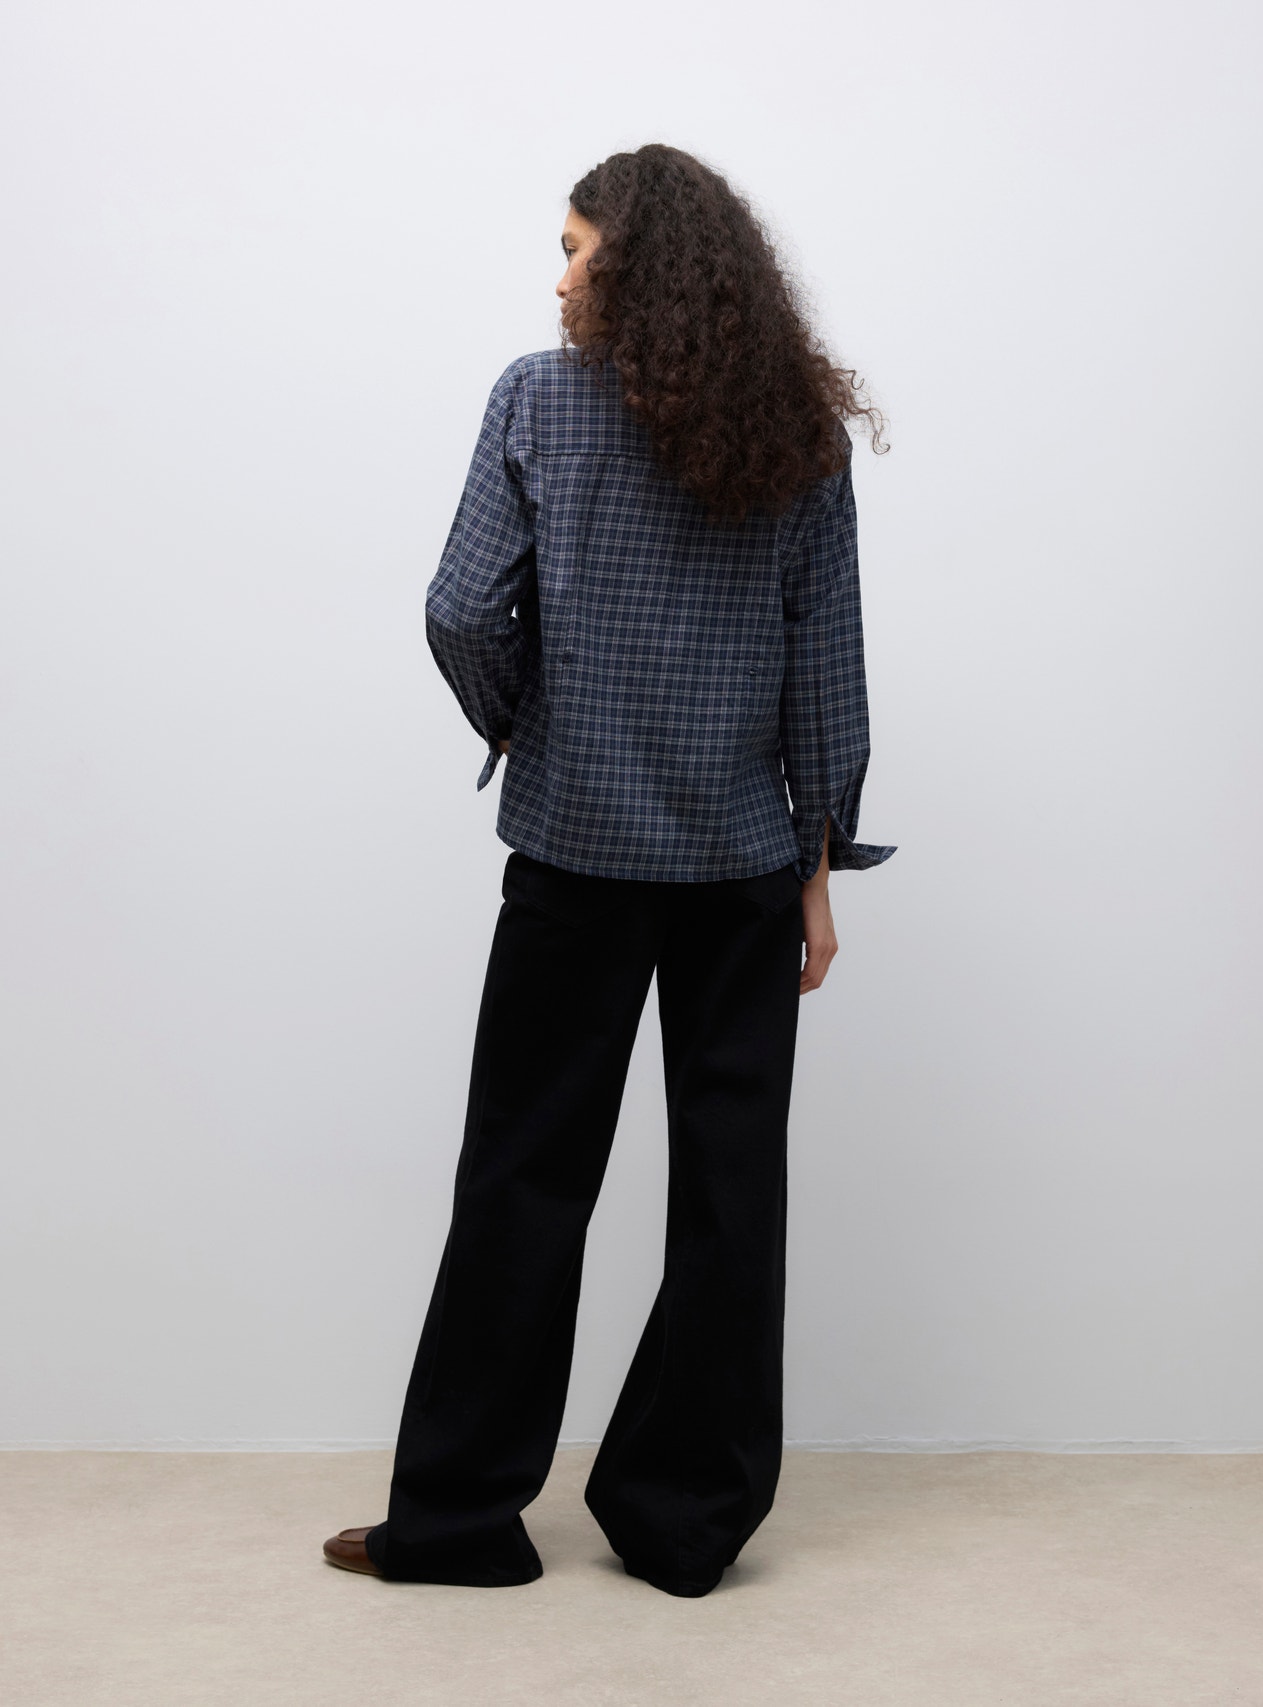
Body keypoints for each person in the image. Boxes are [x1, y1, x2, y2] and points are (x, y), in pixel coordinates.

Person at [323, 142, 896, 1599]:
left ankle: (458, 1521)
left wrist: (531, 721)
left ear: (638, 263)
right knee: (729, 1191)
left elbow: (463, 611)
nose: (561, 274)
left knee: (524, 1174)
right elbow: (826, 672)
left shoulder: (536, 398)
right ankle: (684, 1520)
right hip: (743, 868)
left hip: (574, 853)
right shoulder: (797, 432)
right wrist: (819, 865)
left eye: (578, 248)